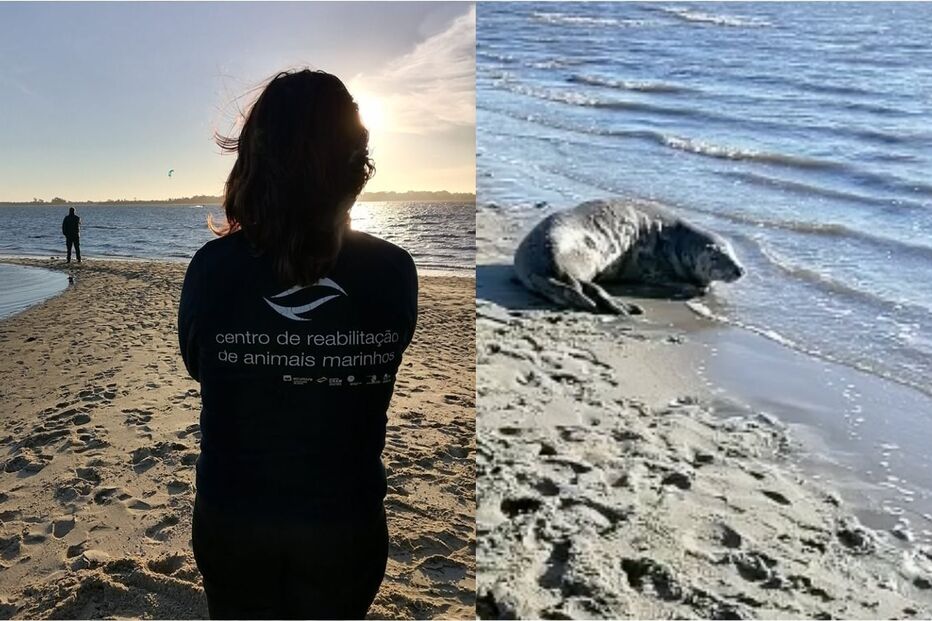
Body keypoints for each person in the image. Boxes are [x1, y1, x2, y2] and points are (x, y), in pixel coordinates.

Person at [177, 69, 418, 620]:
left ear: (253, 162)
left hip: (234, 514)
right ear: (355, 167)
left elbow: (201, 364)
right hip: (344, 521)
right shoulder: (392, 271)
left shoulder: (213, 271)